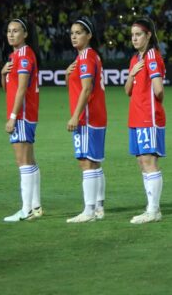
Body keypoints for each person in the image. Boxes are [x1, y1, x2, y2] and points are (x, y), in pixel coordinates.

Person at [65, 17, 108, 223]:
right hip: (96, 115)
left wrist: (75, 115)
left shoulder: (86, 57)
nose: (74, 36)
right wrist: (67, 75)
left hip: (87, 117)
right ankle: (98, 207)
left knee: (86, 163)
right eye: (72, 33)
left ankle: (88, 211)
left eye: (79, 32)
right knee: (95, 163)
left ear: (89, 35)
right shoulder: (90, 56)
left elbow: (87, 88)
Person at [124, 17, 166, 224]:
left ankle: (154, 210)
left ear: (148, 35)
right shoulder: (135, 59)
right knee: (142, 162)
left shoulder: (152, 56)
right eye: (132, 35)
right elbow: (127, 90)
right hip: (136, 117)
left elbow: (159, 89)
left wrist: (155, 104)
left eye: (138, 34)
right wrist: (131, 74)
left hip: (148, 117)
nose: (134, 38)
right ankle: (151, 206)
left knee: (149, 161)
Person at [1, 18, 43, 222]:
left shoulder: (24, 55)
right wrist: (2, 74)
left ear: (25, 34)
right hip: (23, 114)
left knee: (22, 161)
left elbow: (22, 88)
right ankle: (35, 206)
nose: (11, 34)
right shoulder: (14, 56)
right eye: (9, 31)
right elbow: (9, 88)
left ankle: (26, 210)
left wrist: (13, 117)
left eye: (15, 31)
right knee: (29, 160)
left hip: (23, 115)